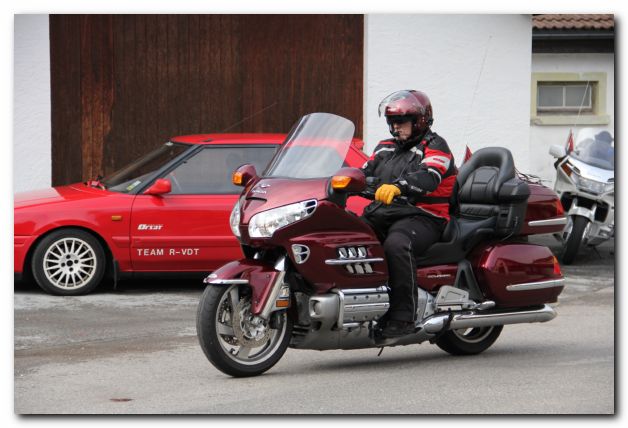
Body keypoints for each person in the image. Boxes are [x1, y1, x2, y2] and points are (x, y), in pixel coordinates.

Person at [361, 90, 457, 338]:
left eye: (401, 122)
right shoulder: (385, 147)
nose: (395, 127)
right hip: (387, 213)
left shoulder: (436, 146)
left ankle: (404, 316)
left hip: (426, 215)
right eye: (392, 121)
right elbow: (362, 171)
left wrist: (399, 186)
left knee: (397, 244)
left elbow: (430, 176)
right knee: (349, 237)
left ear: (420, 121)